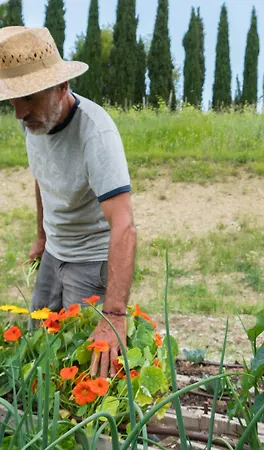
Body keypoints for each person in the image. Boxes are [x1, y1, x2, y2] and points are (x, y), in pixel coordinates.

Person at [0, 26, 137, 378]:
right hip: (53, 253)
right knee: (36, 343)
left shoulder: (96, 134)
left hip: (90, 262)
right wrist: (42, 237)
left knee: (84, 363)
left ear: (62, 87)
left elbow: (123, 224)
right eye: (13, 100)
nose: (18, 112)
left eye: (28, 98)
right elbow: (42, 175)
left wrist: (116, 315)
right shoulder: (34, 121)